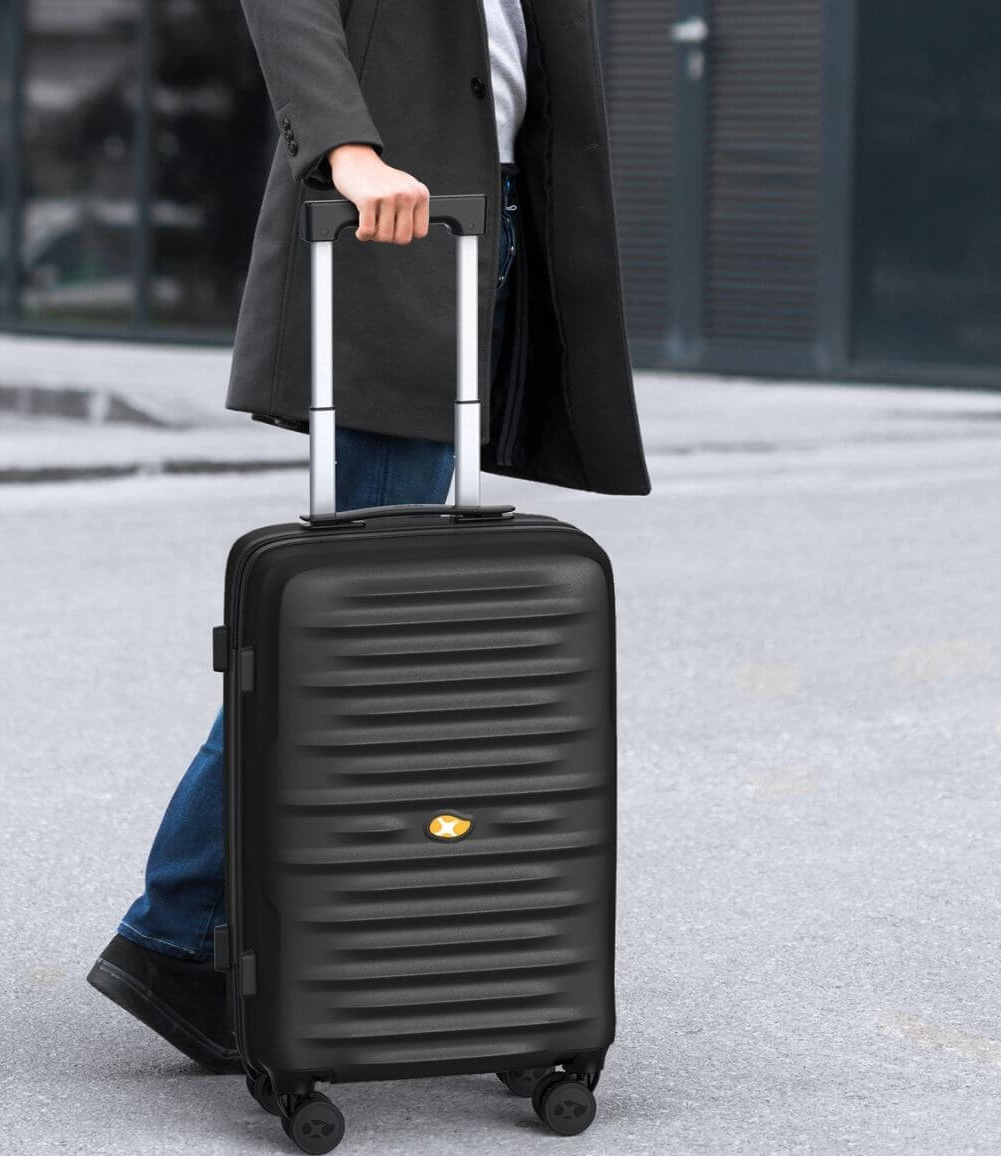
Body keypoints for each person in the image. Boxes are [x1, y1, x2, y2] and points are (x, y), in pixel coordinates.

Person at [88, 0, 650, 1070]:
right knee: (347, 645)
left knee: (391, 646)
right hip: (390, 233)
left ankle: (348, 942)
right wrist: (347, 147)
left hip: (483, 222)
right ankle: (175, 933)